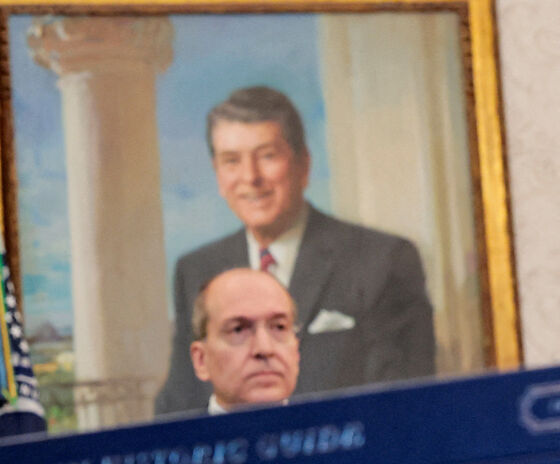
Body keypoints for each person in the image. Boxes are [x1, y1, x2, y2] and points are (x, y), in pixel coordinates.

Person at [155, 85, 435, 416]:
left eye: (267, 156)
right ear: (218, 175)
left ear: (303, 165)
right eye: (231, 161)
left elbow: (402, 408)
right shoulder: (197, 270)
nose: (250, 177)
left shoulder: (382, 261)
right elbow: (178, 404)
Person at [189, 268, 300, 414]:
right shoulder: (174, 437)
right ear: (201, 360)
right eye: (238, 329)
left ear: (296, 351)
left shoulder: (333, 432)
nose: (265, 349)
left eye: (279, 327)